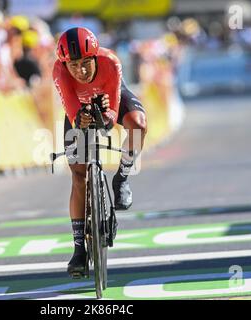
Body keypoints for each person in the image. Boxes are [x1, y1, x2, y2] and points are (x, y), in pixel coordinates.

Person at [52, 27, 147, 277]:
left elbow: (113, 113)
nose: (80, 71)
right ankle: (79, 249)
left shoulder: (110, 62)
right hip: (80, 105)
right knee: (78, 175)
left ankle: (123, 177)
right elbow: (72, 113)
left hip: (109, 99)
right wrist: (79, 120)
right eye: (73, 65)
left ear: (95, 57)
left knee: (138, 124)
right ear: (65, 64)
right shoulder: (59, 71)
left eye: (85, 63)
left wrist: (106, 118)